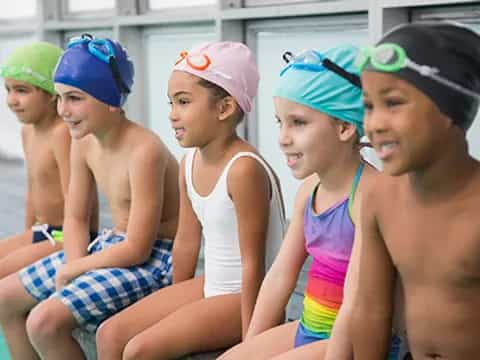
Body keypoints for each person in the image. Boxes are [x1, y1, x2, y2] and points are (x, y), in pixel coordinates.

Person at [95, 41, 286, 360]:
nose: (172, 115)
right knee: (109, 335)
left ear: (224, 108)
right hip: (210, 286)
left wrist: (252, 337)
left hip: (244, 298)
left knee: (139, 351)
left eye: (183, 102)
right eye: (170, 103)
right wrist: (177, 301)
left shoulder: (243, 170)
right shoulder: (189, 162)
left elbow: (254, 264)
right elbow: (186, 241)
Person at [0, 34, 179, 359]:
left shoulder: (144, 151)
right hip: (110, 247)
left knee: (43, 321)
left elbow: (138, 248)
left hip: (154, 260)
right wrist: (74, 260)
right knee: (4, 297)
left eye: (74, 98)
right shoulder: (83, 141)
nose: (63, 110)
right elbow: (76, 217)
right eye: (59, 98)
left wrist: (75, 268)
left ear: (110, 99)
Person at [219, 44, 377, 360]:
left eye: (299, 123)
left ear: (345, 127)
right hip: (309, 329)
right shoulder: (310, 189)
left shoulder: (369, 198)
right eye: (280, 122)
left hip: (351, 342)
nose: (282, 137)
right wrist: (246, 348)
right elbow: (279, 277)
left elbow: (357, 303)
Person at [350, 22, 480, 359]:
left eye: (393, 103)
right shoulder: (380, 197)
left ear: (450, 108)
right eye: (368, 106)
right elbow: (370, 310)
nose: (375, 123)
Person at [0, 41, 98, 280]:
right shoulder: (28, 132)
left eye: (22, 91)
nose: (12, 100)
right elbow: (34, 190)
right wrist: (27, 237)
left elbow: (81, 201)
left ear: (53, 95)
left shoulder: (62, 134)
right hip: (42, 232)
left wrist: (77, 249)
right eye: (8, 89)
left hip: (65, 235)